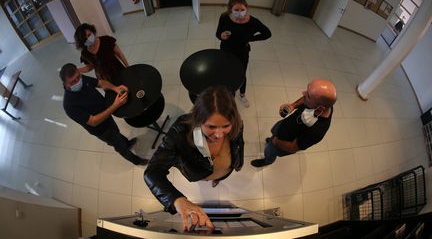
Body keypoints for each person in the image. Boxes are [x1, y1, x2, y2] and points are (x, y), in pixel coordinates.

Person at [144, 86, 244, 231]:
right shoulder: (180, 131)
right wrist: (176, 199)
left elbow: (240, 143)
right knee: (204, 176)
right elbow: (153, 171)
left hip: (224, 169)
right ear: (198, 119)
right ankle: (209, 178)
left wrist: (238, 162)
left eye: (226, 126)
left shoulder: (238, 125)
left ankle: (216, 179)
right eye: (211, 127)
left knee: (218, 176)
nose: (219, 135)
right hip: (198, 170)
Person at [60, 63, 148, 166]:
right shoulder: (69, 105)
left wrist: (115, 88)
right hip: (101, 129)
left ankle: (128, 143)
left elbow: (100, 83)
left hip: (107, 115)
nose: (77, 81)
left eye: (78, 76)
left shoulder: (81, 79)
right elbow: (93, 121)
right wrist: (115, 105)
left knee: (117, 132)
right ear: (65, 84)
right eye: (72, 82)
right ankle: (136, 160)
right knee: (119, 145)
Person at [251, 79, 337, 167]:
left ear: (320, 108)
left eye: (308, 96)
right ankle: (271, 140)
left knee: (270, 151)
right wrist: (293, 105)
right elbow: (304, 99)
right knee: (273, 135)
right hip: (284, 126)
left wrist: (276, 142)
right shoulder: (323, 102)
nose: (303, 93)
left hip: (283, 143)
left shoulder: (317, 132)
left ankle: (267, 160)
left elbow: (293, 147)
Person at [216, 0, 271, 108]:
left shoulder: (253, 22)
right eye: (236, 10)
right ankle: (229, 94)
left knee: (241, 74)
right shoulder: (224, 17)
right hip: (226, 50)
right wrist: (221, 36)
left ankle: (242, 95)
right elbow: (218, 33)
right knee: (227, 72)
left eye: (242, 9)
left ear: (246, 9)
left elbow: (267, 34)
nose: (240, 12)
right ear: (230, 9)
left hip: (242, 52)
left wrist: (251, 39)